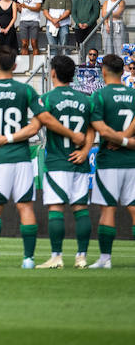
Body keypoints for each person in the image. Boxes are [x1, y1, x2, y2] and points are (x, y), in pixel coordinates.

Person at [0, 47, 44, 269]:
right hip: (22, 157)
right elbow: (39, 123)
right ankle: (29, 259)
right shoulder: (26, 90)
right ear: (14, 65)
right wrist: (12, 137)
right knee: (26, 207)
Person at [35, 55, 94, 269]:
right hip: (79, 161)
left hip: (58, 161)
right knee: (81, 209)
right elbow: (92, 127)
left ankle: (57, 256)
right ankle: (82, 257)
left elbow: (41, 122)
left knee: (56, 209)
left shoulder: (48, 98)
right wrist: (86, 149)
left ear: (52, 73)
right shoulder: (86, 99)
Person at [88, 53, 135, 269]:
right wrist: (126, 140)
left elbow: (99, 126)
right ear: (123, 71)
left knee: (108, 209)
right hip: (132, 160)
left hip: (109, 160)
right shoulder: (133, 94)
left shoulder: (99, 95)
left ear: (103, 71)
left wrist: (118, 139)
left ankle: (105, 259)